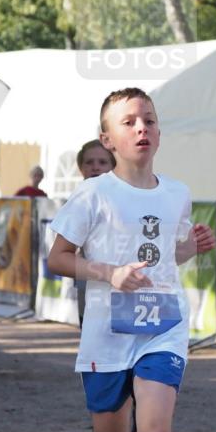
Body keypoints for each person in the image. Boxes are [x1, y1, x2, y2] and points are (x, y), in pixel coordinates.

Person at [47, 87, 215, 432]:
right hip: (107, 332)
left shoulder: (177, 193)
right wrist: (108, 272)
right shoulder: (93, 194)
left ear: (159, 131)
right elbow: (57, 258)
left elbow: (163, 258)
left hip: (163, 327)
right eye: (129, 122)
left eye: (149, 119)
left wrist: (190, 248)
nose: (142, 128)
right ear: (108, 139)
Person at [75, 140, 116, 326]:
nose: (95, 167)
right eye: (89, 162)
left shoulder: (125, 196)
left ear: (113, 166)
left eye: (102, 162)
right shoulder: (78, 200)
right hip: (89, 279)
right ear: (81, 168)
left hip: (123, 282)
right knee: (90, 329)